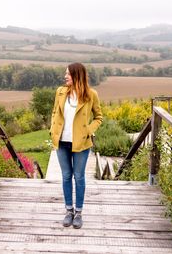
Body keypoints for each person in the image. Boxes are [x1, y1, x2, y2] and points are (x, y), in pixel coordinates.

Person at [50, 62, 103, 229]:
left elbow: (99, 117)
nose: (65, 76)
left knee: (78, 177)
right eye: (65, 74)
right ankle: (69, 211)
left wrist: (89, 130)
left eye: (68, 74)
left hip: (81, 143)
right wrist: (52, 129)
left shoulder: (91, 94)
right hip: (61, 142)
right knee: (66, 176)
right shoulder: (60, 92)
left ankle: (79, 212)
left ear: (77, 76)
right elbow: (54, 113)